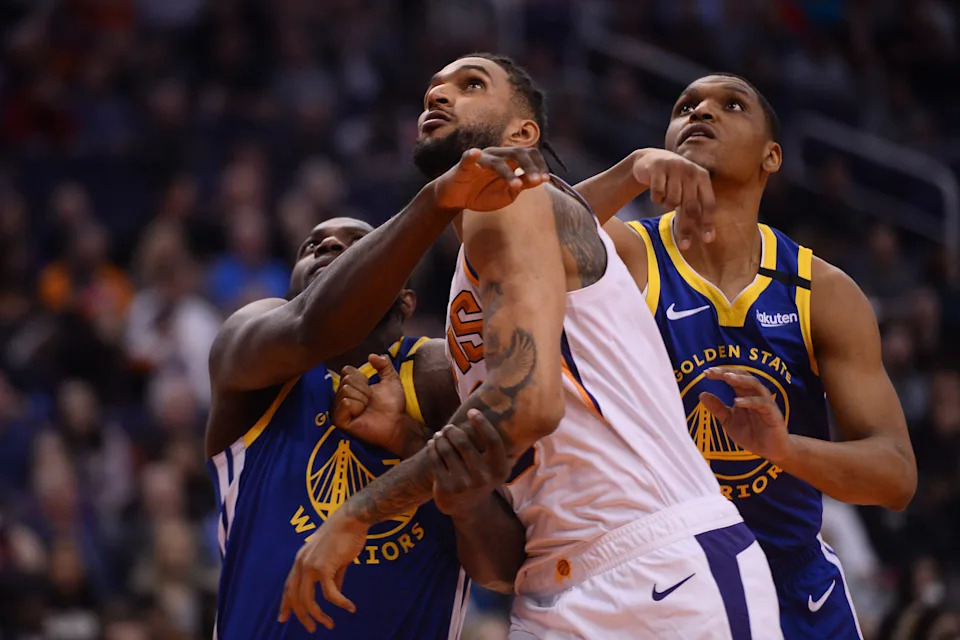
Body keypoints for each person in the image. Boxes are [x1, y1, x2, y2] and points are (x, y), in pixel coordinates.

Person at [281, 54, 782, 640]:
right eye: (433, 89)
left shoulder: (514, 204)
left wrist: (359, 512)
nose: (439, 96)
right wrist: (406, 438)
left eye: (471, 85)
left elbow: (528, 403)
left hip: (662, 564)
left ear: (523, 135)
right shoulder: (487, 252)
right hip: (551, 583)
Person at [576, 73, 918, 639]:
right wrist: (628, 171)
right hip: (661, 577)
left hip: (792, 585)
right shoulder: (630, 254)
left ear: (772, 156)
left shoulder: (822, 292)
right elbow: (519, 236)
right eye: (686, 106)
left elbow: (896, 476)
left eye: (730, 105)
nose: (701, 112)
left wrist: (783, 448)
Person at [205, 148, 550, 640]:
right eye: (313, 245)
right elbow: (313, 327)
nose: (327, 249)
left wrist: (411, 440)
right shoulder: (252, 355)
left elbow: (504, 569)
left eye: (354, 245)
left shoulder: (439, 374)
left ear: (405, 299)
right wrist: (436, 202)